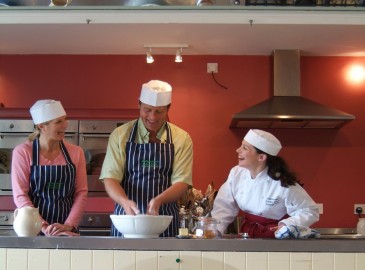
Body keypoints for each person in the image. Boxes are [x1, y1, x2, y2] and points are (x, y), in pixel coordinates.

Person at [100, 80, 193, 237]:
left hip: (164, 222)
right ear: (139, 105)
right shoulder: (120, 135)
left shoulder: (182, 138)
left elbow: (182, 181)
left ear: (168, 108)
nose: (152, 117)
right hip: (127, 221)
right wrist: (124, 201)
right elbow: (110, 178)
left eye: (159, 111)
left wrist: (158, 201)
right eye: (147, 110)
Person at [211, 129, 319, 238]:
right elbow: (224, 206)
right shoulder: (236, 173)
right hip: (247, 235)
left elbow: (310, 211)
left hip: (274, 238)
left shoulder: (282, 183)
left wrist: (286, 225)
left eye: (245, 148)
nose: (238, 150)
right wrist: (215, 230)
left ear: (261, 157)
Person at [11, 99, 88, 236]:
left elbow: (81, 193)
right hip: (31, 230)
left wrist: (68, 225)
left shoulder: (76, 152)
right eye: (58, 122)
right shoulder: (23, 152)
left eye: (65, 119)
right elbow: (20, 195)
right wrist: (43, 226)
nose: (65, 125)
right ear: (42, 126)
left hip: (67, 231)